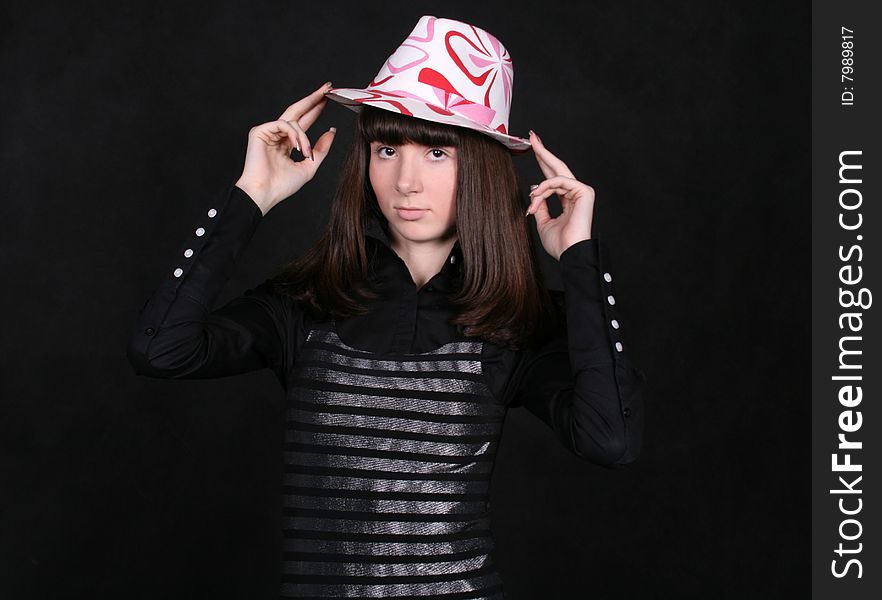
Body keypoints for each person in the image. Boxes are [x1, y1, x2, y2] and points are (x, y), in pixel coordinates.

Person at [127, 15, 645, 600]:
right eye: (387, 148)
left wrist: (579, 258)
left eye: (437, 153)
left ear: (480, 165)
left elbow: (610, 440)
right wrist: (250, 196)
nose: (406, 181)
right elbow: (159, 349)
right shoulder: (309, 302)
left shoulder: (514, 319)